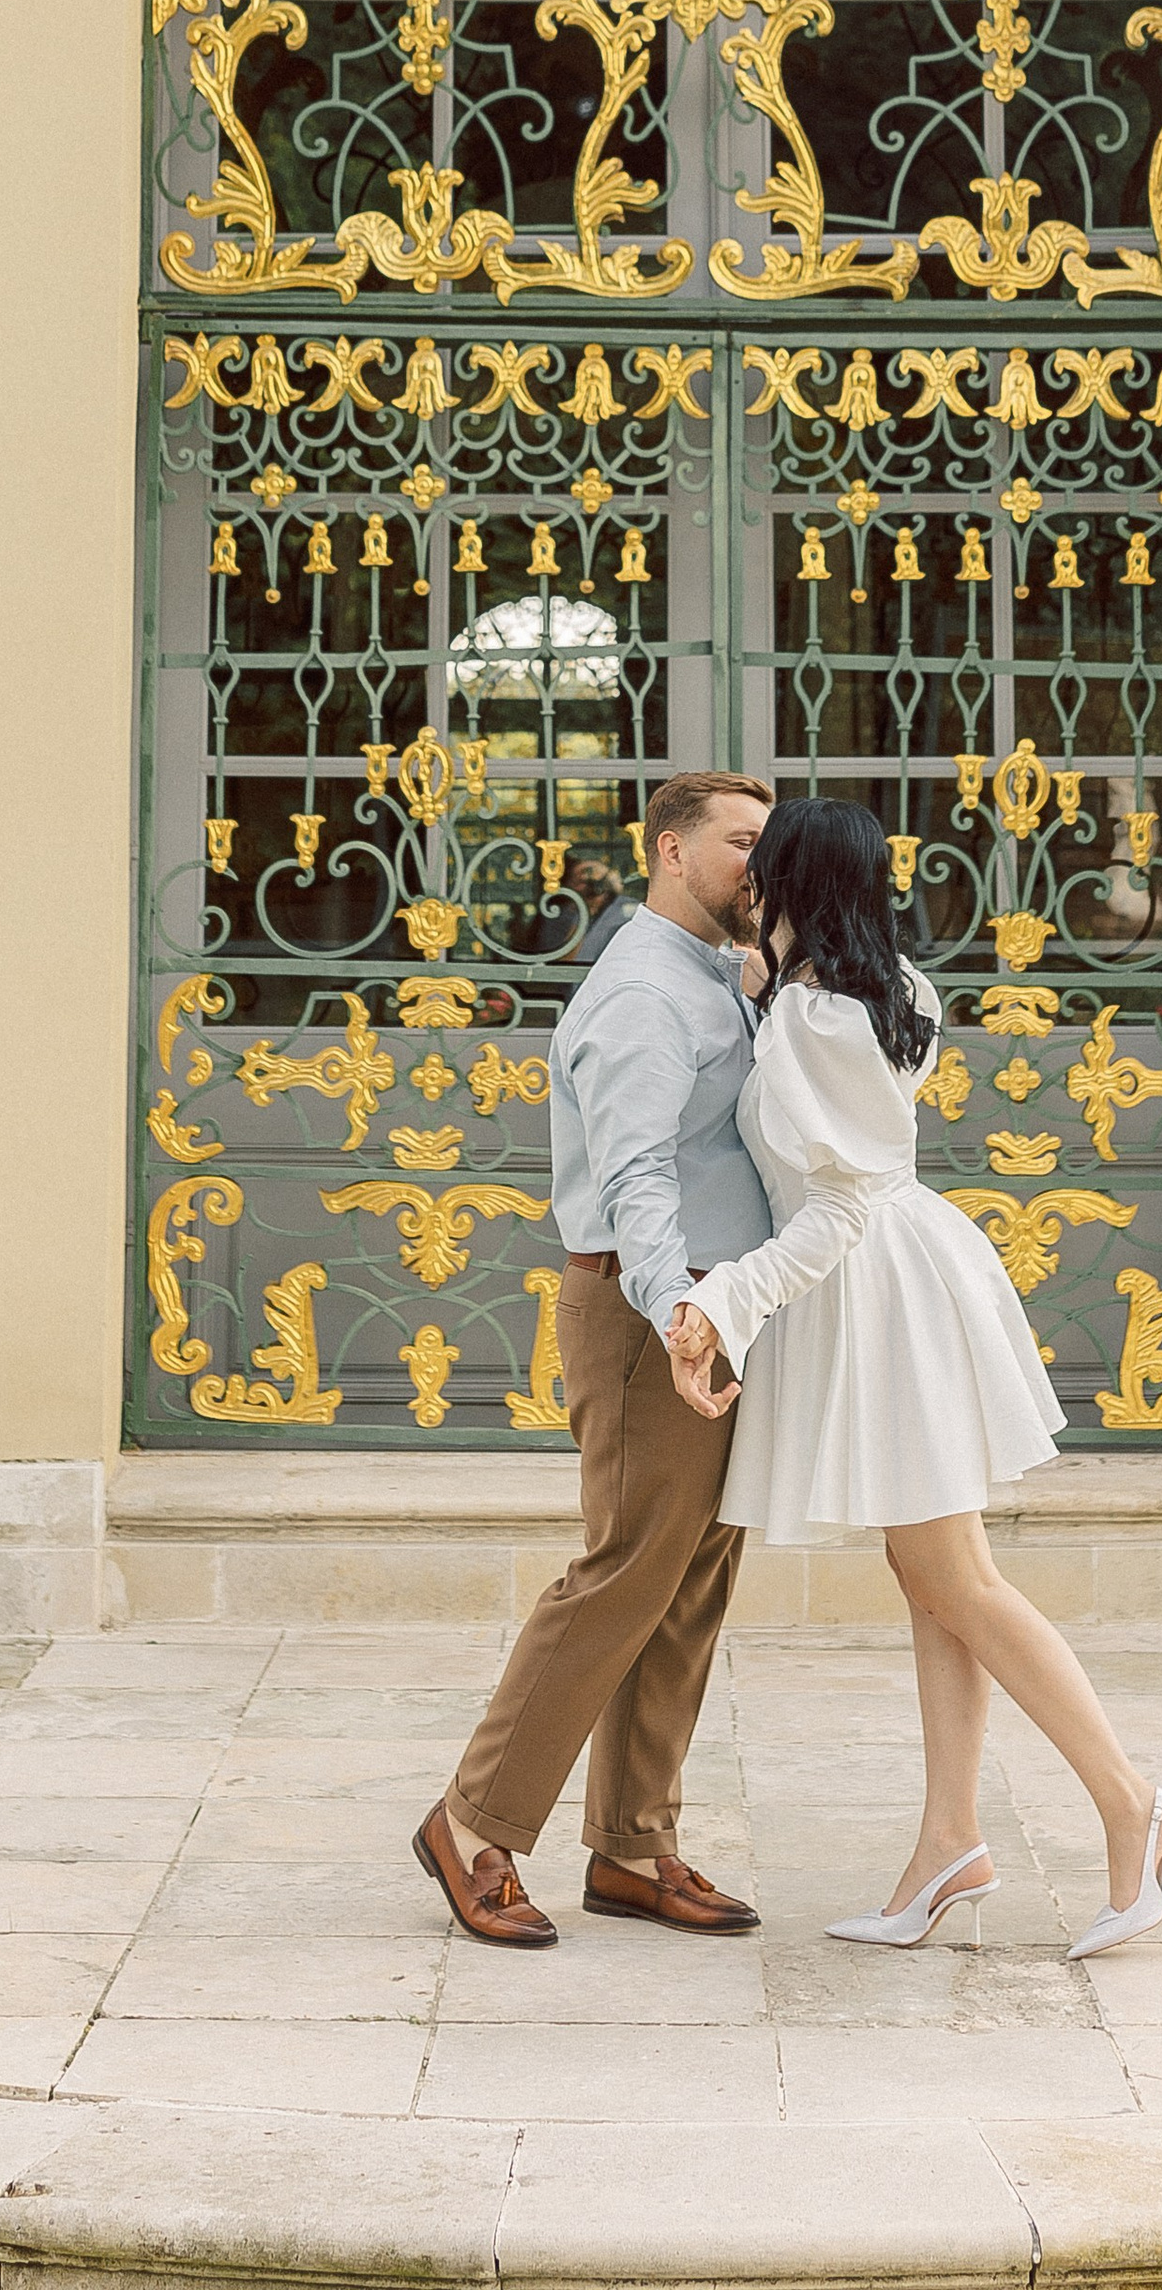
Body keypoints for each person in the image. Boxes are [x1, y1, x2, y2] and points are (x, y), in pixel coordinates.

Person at [668, 796, 1162, 1959]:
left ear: (788, 881)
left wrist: (722, 1301)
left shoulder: (814, 1017)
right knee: (936, 1581)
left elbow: (837, 1208)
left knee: (956, 1578)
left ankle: (1133, 1804)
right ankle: (948, 1841)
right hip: (904, 1275)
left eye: (764, 865)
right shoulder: (892, 991)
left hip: (875, 1289)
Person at [415, 769, 775, 1948]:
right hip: (648, 1309)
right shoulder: (639, 994)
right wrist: (679, 1314)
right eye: (739, 841)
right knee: (623, 1573)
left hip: (711, 1305)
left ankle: (630, 1845)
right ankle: (471, 1824)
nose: (758, 862)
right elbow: (637, 1176)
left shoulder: (717, 975)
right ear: (669, 849)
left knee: (688, 1579)